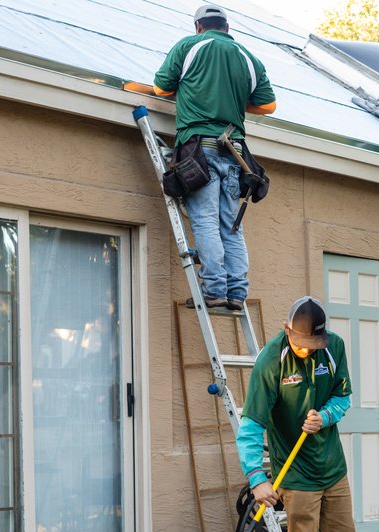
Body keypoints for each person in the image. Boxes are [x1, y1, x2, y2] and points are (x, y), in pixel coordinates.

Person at [235, 297, 379, 532]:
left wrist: (327, 416)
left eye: (314, 345)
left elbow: (343, 395)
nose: (308, 351)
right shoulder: (271, 361)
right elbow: (252, 426)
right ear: (288, 331)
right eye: (302, 344)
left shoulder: (333, 347)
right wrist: (257, 478)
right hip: (296, 472)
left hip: (332, 467)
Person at [154, 4, 276, 311]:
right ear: (227, 28)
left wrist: (194, 93)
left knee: (205, 220)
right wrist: (231, 98)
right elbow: (268, 105)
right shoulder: (249, 58)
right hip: (234, 152)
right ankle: (237, 292)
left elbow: (160, 87)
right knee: (230, 225)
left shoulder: (189, 46)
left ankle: (214, 290)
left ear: (199, 27)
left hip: (199, 149)